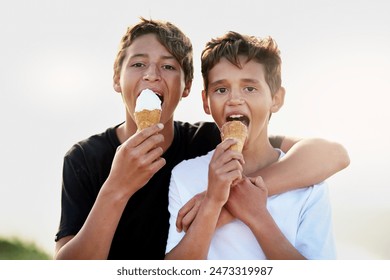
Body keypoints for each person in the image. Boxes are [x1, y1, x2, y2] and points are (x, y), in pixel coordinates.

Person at [54, 18, 349, 260]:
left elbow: (331, 155)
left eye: (169, 66)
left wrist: (237, 196)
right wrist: (116, 188)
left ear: (187, 88)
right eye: (138, 64)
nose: (152, 75)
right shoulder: (84, 158)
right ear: (117, 79)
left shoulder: (209, 140)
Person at [165, 32, 338, 260]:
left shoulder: (309, 187)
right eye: (221, 89)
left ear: (275, 99)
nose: (234, 99)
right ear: (206, 102)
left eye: (250, 88)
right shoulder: (184, 175)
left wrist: (257, 216)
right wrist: (213, 201)